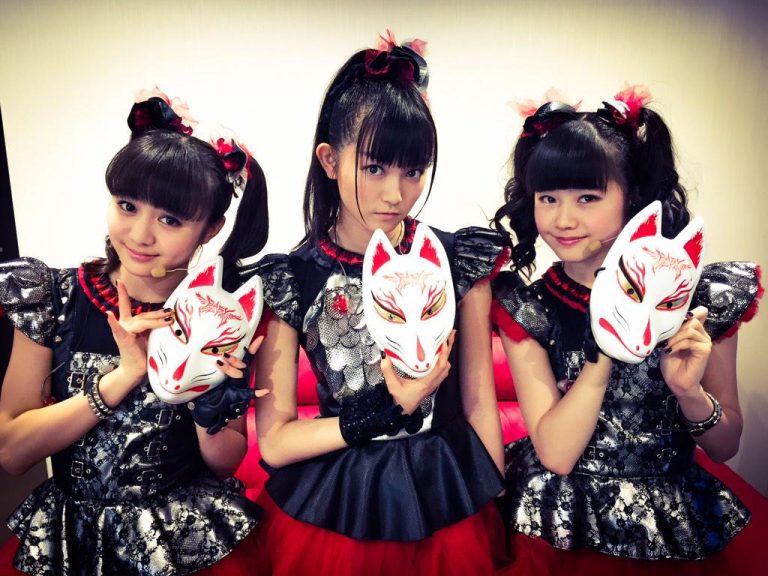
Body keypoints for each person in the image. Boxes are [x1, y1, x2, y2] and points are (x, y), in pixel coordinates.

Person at [246, 32, 508, 575]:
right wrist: (381, 412)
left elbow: (480, 403)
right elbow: (273, 442)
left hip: (446, 492)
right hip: (339, 493)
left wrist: (497, 504)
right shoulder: (294, 278)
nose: (396, 194)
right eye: (374, 168)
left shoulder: (457, 260)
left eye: (413, 171)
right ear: (329, 160)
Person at [491, 86, 766, 575]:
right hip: (561, 521)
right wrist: (604, 352)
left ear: (632, 196)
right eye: (548, 198)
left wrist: (689, 393)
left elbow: (726, 447)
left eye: (588, 198)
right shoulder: (530, 307)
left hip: (673, 516)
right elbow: (556, 454)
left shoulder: (696, 297)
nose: (563, 219)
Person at [0, 87, 269, 576]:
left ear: (210, 229)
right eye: (127, 205)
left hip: (182, 538)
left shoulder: (221, 314)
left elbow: (224, 464)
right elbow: (12, 451)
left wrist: (206, 397)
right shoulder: (53, 297)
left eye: (170, 219)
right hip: (71, 540)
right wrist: (125, 375)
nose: (141, 234)